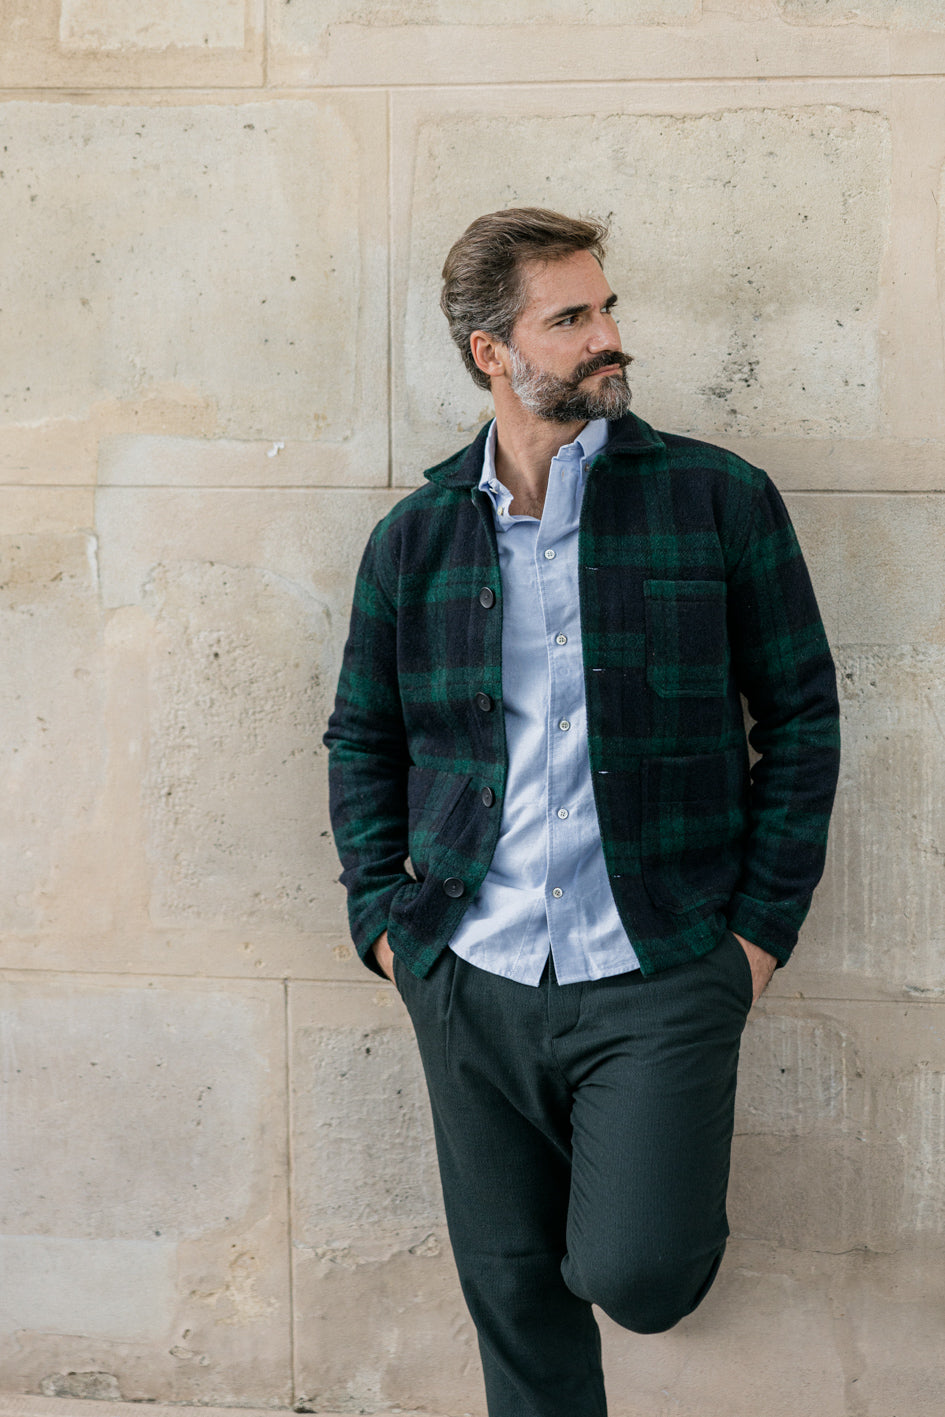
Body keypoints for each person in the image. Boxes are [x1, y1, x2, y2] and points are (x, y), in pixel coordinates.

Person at [324, 207, 840, 1416]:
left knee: (638, 1271)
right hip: (470, 970)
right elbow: (364, 738)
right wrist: (387, 930)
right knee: (514, 1299)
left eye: (607, 307)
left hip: (663, 967)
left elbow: (803, 719)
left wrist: (756, 939)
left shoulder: (716, 499)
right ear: (492, 353)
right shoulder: (414, 540)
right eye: (571, 318)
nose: (609, 335)